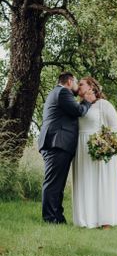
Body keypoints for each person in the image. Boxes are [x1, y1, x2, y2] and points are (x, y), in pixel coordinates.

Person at [38, 71, 93, 224]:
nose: (77, 87)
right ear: (69, 81)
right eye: (76, 83)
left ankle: (58, 217)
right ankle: (50, 218)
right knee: (53, 183)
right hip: (56, 143)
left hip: (58, 143)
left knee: (58, 184)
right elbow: (78, 111)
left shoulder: (58, 93)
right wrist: (87, 101)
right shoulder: (63, 92)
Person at [72, 77, 117, 229]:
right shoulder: (78, 106)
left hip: (99, 148)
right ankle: (86, 219)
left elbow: (115, 127)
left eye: (81, 84)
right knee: (85, 181)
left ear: (91, 87)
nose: (78, 87)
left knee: (101, 182)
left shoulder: (104, 105)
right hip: (81, 148)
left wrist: (104, 145)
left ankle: (105, 220)